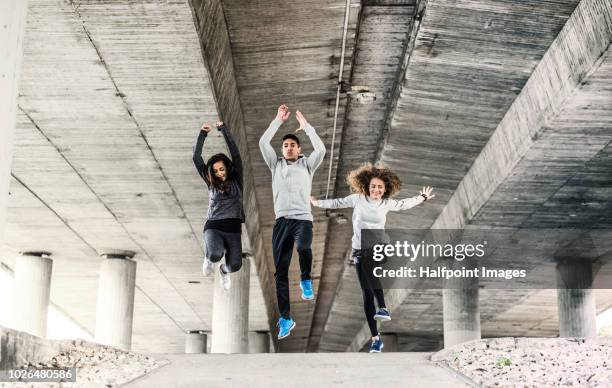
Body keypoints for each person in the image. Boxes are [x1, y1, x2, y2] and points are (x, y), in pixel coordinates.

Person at [311, 163, 434, 352]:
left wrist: (422, 197)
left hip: (380, 247)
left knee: (369, 263)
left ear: (385, 190)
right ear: (367, 187)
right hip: (359, 249)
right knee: (366, 295)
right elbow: (337, 203)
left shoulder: (386, 203)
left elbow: (404, 204)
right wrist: (318, 203)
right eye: (373, 187)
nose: (376, 190)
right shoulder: (357, 200)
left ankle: (383, 307)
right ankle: (376, 339)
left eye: (380, 188)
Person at [259, 104, 326, 339]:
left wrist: (307, 128)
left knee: (304, 246)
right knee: (280, 273)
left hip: (302, 219)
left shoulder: (307, 165)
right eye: (285, 145)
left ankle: (306, 280)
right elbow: (262, 143)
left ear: (298, 149)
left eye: (292, 145)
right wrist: (277, 121)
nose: (288, 148)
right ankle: (286, 319)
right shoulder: (274, 164)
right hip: (281, 222)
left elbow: (322, 149)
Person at [193, 120, 244, 291]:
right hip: (213, 225)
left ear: (227, 168)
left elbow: (236, 154)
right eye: (215, 171)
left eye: (221, 169)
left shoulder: (237, 178)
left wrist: (224, 130)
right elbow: (196, 157)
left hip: (233, 229)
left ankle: (223, 271)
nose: (219, 174)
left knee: (235, 265)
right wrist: (202, 134)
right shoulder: (210, 182)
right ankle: (208, 258)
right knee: (215, 254)